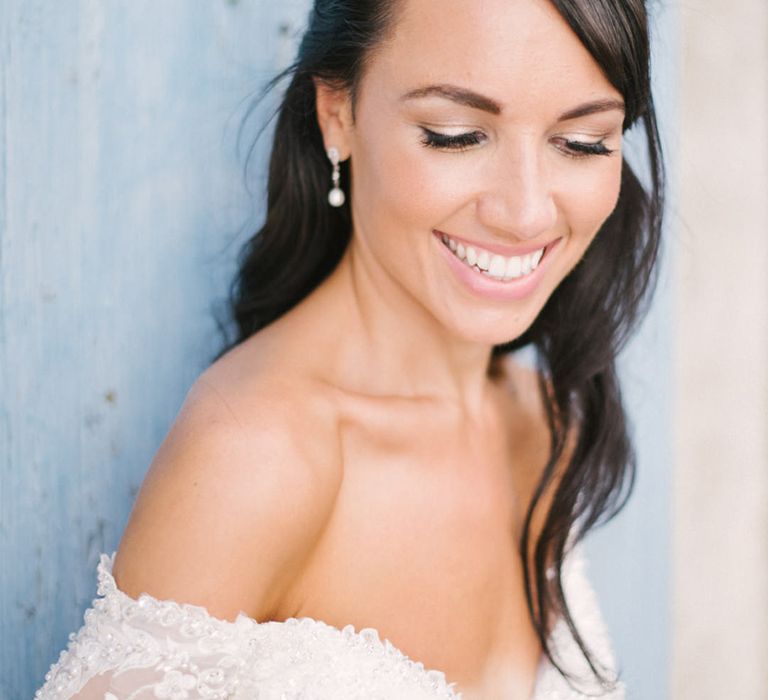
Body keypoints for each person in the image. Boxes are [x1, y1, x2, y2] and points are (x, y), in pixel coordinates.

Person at [36, 0, 664, 698]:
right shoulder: (257, 451)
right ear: (337, 112)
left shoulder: (545, 423)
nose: (525, 213)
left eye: (582, 143)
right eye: (455, 135)